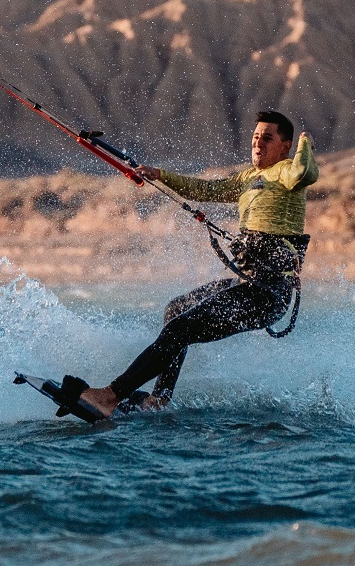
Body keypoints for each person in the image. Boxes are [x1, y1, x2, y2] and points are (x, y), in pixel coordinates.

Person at [75, 110, 317, 418]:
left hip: (267, 293)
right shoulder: (248, 179)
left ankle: (109, 397)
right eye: (256, 137)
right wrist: (160, 174)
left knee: (180, 329)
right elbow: (204, 190)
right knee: (176, 310)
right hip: (247, 282)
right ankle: (160, 398)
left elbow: (304, 173)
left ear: (285, 147)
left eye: (267, 138)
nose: (258, 143)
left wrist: (306, 143)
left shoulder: (286, 172)